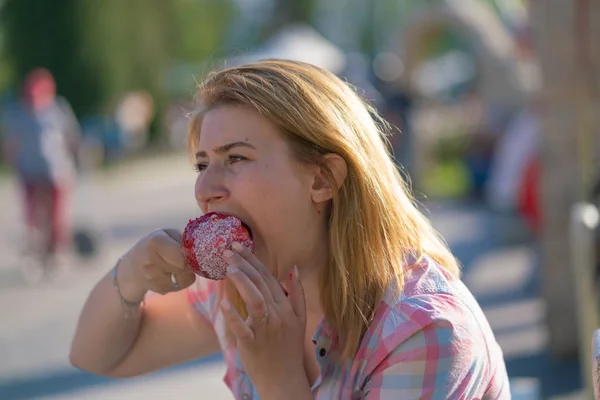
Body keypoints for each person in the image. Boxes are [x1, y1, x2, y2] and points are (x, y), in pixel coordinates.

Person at [70, 60, 509, 399]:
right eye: (202, 164)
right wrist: (129, 276)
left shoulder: (423, 332)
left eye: (235, 158)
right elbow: (99, 356)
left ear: (322, 179)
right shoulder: (241, 295)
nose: (204, 189)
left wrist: (279, 382)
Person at [1, 68, 81, 267]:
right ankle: (37, 248)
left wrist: (78, 155)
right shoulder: (19, 114)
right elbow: (11, 142)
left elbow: (71, 135)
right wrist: (10, 158)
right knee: (33, 215)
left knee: (57, 214)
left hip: (57, 171)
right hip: (29, 172)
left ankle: (57, 250)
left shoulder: (58, 109)